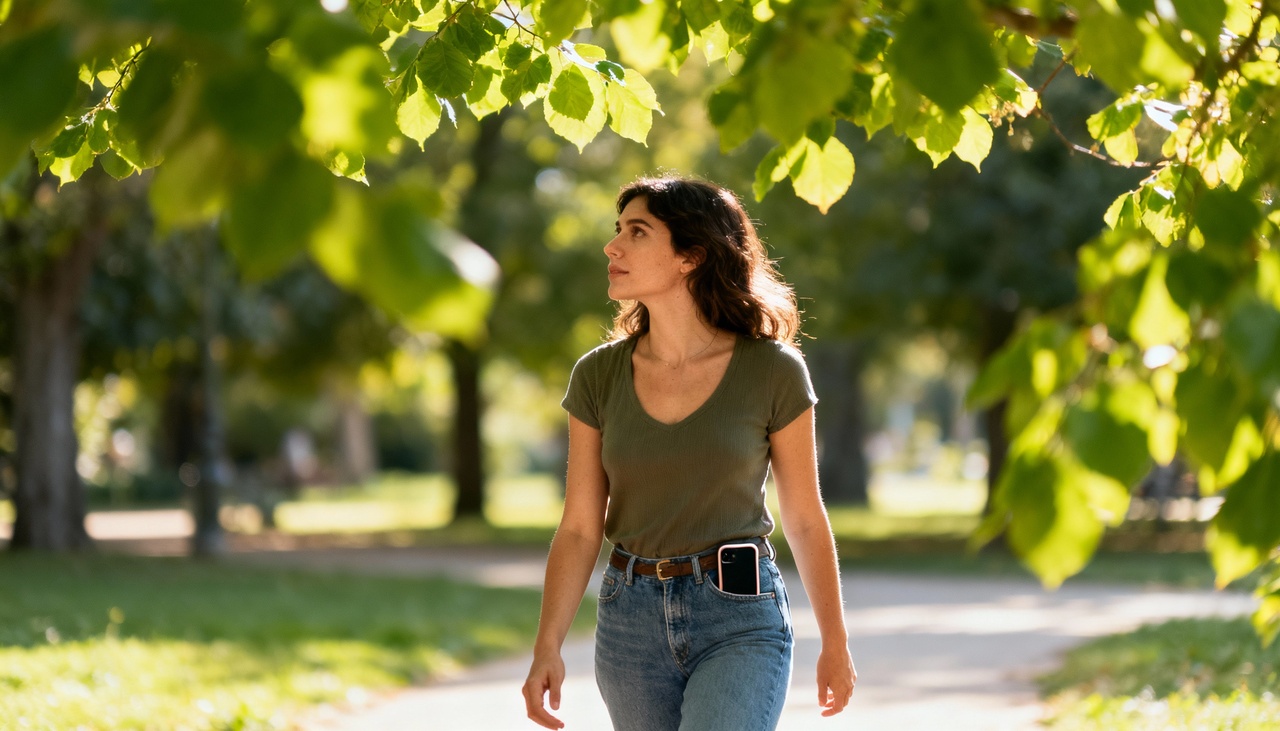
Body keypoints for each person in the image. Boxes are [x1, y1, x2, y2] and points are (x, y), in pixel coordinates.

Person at [522, 176, 857, 731]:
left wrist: (836, 643)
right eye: (617, 229)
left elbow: (803, 515)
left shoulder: (772, 371)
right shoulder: (597, 376)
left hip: (739, 616)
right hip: (629, 622)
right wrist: (547, 646)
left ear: (690, 256)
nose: (613, 246)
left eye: (638, 231)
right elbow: (581, 526)